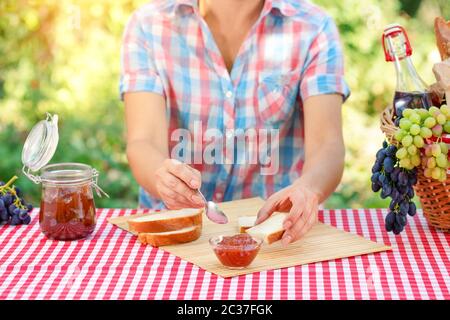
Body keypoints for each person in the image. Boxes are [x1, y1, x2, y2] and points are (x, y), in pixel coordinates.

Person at [120, 0, 350, 246]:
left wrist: (308, 189)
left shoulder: (313, 27)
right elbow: (142, 142)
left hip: (280, 237)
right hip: (177, 235)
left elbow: (328, 144)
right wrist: (162, 178)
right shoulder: (148, 25)